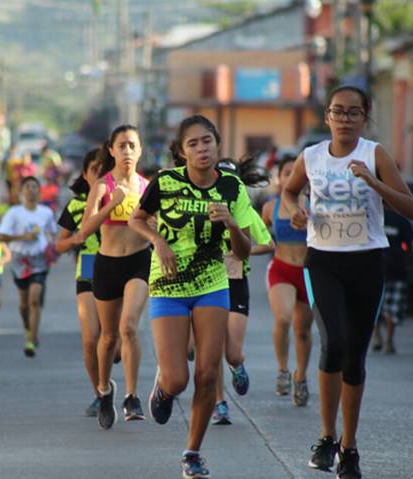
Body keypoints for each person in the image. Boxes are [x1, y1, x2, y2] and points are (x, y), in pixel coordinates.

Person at [282, 85, 413, 479]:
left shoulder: (374, 154)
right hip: (323, 261)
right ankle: (326, 438)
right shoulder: (311, 157)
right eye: (338, 112)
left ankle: (349, 446)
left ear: (364, 118)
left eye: (353, 113)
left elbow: (409, 208)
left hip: (367, 262)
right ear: (326, 116)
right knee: (334, 343)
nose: (345, 119)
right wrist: (296, 210)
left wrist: (374, 183)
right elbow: (290, 192)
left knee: (355, 354)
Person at [128, 114, 252, 478]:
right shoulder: (165, 182)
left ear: (217, 144)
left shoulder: (232, 187)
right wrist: (158, 240)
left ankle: (192, 452)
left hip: (212, 283)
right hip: (167, 284)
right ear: (181, 152)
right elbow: (138, 219)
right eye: (193, 144)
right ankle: (164, 390)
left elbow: (243, 252)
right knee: (178, 378)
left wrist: (230, 222)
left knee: (208, 373)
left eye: (207, 141)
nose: (202, 149)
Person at [80, 125, 150, 428]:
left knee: (129, 327)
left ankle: (133, 396)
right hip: (107, 264)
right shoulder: (102, 185)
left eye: (132, 145)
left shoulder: (148, 187)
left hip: (139, 262)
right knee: (107, 337)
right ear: (112, 150)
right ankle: (105, 389)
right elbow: (85, 230)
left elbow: (158, 225)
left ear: (140, 149)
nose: (127, 152)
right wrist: (112, 202)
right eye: (121, 146)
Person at [211, 157, 275, 425]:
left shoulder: (245, 210)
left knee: (231, 352)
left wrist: (240, 252)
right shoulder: (207, 207)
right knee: (212, 349)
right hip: (210, 283)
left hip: (236, 283)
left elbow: (268, 244)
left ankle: (237, 366)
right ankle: (220, 404)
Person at [56, 148, 106, 416]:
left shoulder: (120, 198)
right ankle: (100, 392)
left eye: (103, 168)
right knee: (90, 340)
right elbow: (59, 245)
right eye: (93, 169)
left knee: (116, 339)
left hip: (118, 265)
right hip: (88, 267)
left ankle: (113, 355)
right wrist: (74, 240)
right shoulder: (76, 206)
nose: (98, 173)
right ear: (85, 174)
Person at [261, 156, 314, 405]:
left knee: (303, 330)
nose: (292, 176)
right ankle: (283, 369)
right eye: (287, 172)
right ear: (280, 178)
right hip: (281, 269)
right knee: (283, 318)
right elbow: (261, 237)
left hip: (309, 272)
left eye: (297, 172)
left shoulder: (315, 205)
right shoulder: (270, 208)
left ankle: (300, 376)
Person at [0, 176, 58, 357]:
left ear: (39, 192)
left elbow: (52, 233)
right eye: (27, 187)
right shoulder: (14, 213)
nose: (31, 190)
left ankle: (31, 338)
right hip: (20, 260)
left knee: (34, 298)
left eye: (34, 187)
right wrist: (23, 238)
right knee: (24, 304)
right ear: (21, 192)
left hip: (39, 259)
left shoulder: (46, 212)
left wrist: (51, 247)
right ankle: (27, 327)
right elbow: (2, 236)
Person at [374, 207, 413, 353]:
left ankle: (388, 339)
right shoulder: (370, 215)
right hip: (375, 270)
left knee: (389, 309)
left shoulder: (399, 220)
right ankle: (378, 336)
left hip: (395, 271)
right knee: (377, 308)